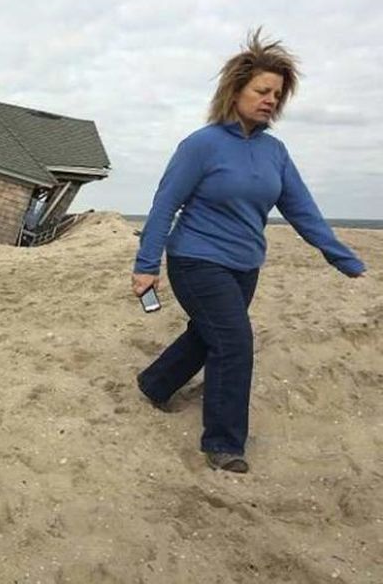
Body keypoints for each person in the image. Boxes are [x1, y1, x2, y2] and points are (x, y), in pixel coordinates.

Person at [131, 29, 366, 474]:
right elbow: (165, 204)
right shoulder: (201, 145)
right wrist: (146, 265)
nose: (270, 100)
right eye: (262, 90)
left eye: (277, 94)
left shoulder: (275, 152)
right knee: (234, 343)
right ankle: (223, 444)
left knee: (209, 335)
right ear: (235, 89)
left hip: (244, 266)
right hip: (197, 259)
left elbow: (301, 209)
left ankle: (155, 383)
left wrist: (340, 255)